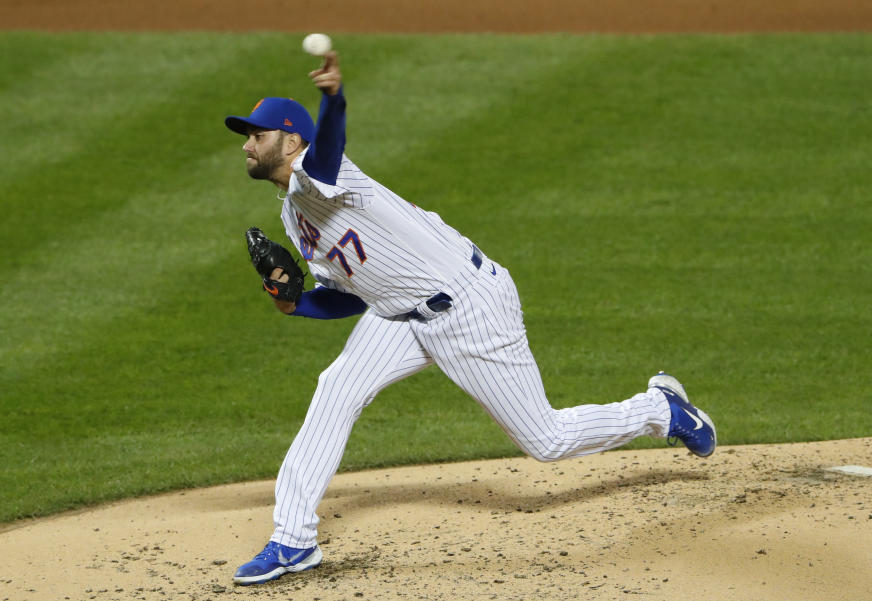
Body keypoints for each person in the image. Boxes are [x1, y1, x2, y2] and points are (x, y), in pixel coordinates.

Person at [224, 50, 717, 586]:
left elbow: (329, 148)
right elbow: (353, 295)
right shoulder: (294, 219)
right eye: (246, 136)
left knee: (545, 440)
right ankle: (293, 540)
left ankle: (660, 411)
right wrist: (295, 303)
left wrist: (334, 98)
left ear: (292, 141)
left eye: (258, 134)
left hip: (468, 306)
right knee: (335, 390)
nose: (248, 145)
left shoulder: (324, 172)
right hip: (398, 317)